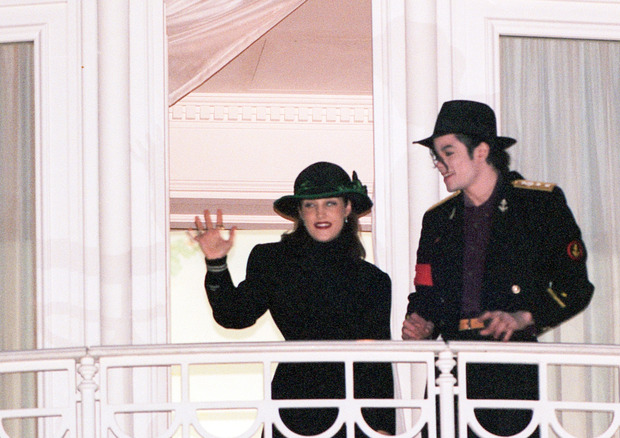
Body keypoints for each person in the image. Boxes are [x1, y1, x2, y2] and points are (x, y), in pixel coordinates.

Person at [401, 100, 594, 437]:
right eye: (436, 155)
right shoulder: (437, 220)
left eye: (448, 152)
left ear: (482, 151)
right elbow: (426, 292)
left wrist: (523, 317)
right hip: (450, 367)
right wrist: (422, 322)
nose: (439, 163)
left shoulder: (539, 205)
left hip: (511, 367)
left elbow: (575, 287)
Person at [191, 161, 395, 438]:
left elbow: (376, 361)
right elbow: (234, 316)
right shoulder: (273, 260)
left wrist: (382, 427)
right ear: (299, 211)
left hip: (353, 409)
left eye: (330, 203)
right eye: (310, 204)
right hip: (293, 404)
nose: (320, 213)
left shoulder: (373, 280)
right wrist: (216, 262)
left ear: (347, 208)